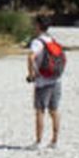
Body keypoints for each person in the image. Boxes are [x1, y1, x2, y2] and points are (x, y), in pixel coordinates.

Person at [26, 16, 62, 148]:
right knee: (54, 110)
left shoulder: (37, 42)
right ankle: (54, 140)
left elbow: (31, 57)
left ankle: (38, 141)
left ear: (38, 26)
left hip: (43, 81)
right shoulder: (51, 40)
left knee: (40, 110)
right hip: (56, 79)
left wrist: (31, 74)